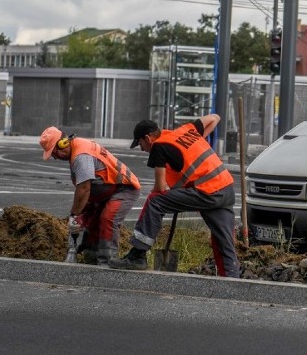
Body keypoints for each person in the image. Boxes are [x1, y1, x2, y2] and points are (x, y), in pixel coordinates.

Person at [109, 114, 239, 277]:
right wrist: (199, 137)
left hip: (206, 191)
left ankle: (137, 256)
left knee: (155, 202)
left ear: (148, 138)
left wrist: (154, 193)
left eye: (140, 144)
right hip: (226, 188)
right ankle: (232, 281)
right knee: (223, 241)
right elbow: (215, 118)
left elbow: (160, 187)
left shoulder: (158, 146)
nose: (142, 149)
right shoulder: (187, 129)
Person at [39, 126, 141, 266]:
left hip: (123, 189)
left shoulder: (81, 156)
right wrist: (81, 215)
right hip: (107, 191)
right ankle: (91, 257)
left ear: (62, 144)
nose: (55, 158)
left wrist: (74, 215)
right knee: (91, 220)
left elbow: (84, 189)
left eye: (54, 153)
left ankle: (106, 263)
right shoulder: (78, 147)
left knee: (108, 219)